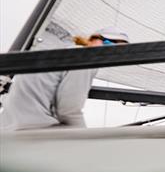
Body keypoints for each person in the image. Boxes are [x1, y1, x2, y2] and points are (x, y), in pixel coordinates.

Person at [0, 28, 130, 131]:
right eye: (107, 42)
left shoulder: (62, 51)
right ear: (92, 39)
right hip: (35, 131)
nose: (110, 49)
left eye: (119, 50)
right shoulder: (85, 57)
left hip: (8, 128)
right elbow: (68, 111)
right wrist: (86, 139)